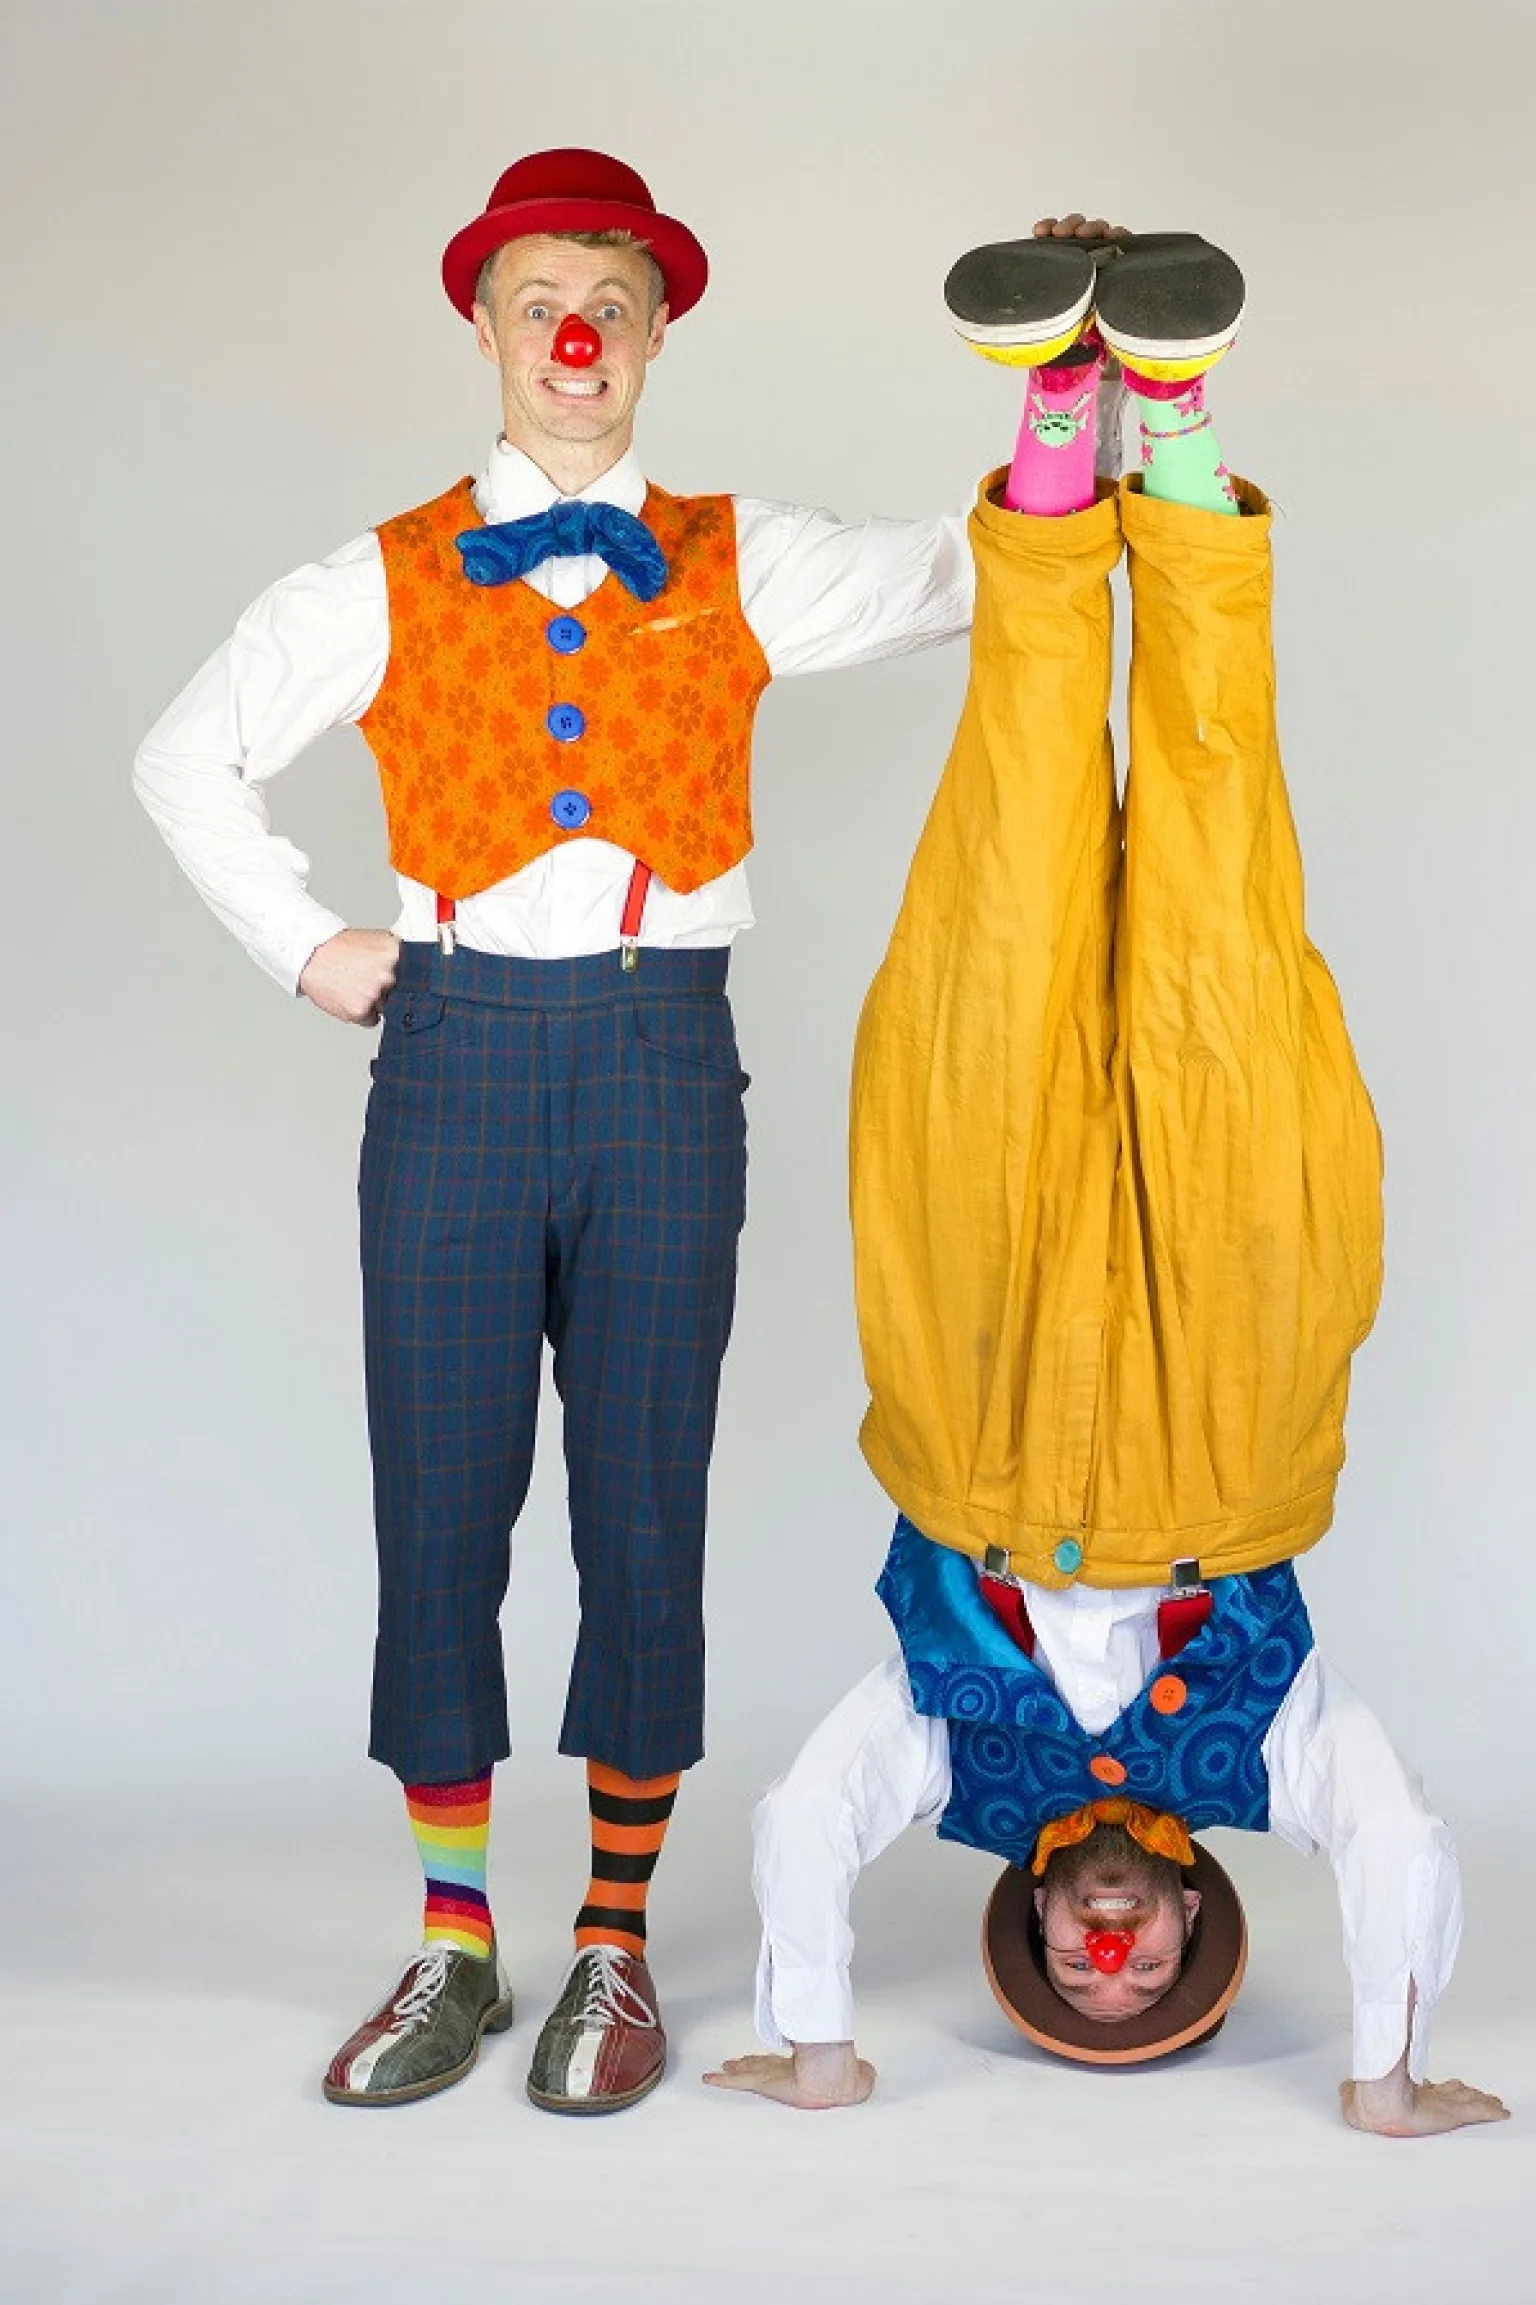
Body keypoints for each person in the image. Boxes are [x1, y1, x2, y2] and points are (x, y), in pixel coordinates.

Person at [133, 146, 1003, 2116]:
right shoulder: (375, 573)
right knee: (438, 1504)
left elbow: (975, 574)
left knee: (643, 1502)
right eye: (541, 303)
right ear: (486, 330)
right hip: (450, 1062)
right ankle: (455, 1942)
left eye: (610, 302)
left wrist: (1085, 385)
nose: (576, 335)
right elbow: (184, 756)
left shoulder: (740, 553)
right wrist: (307, 944)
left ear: (659, 329)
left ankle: (614, 1940)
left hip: (660, 1058)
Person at [705, 226, 1508, 2138]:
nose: (1113, 1957)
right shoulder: (1272, 1754)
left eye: (1078, 1982)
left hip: (977, 1308)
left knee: (1017, 832)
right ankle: (1178, 413)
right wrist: (1385, 2079)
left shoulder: (944, 1759)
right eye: (1152, 1983)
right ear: (1204, 1920)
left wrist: (821, 2047)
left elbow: (802, 1819)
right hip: (1231, 1317)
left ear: (1032, 1930)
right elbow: (1397, 1843)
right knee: (1218, 826)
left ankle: (1061, 412)